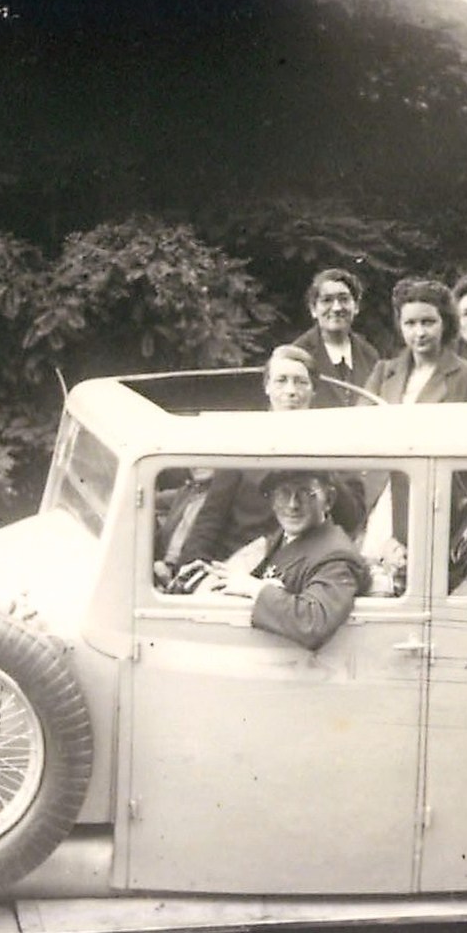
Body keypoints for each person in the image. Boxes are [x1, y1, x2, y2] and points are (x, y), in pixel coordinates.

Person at [173, 346, 365, 571]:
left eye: (301, 382)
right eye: (281, 381)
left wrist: (322, 462)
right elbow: (212, 516)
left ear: (314, 390)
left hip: (304, 569)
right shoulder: (244, 441)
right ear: (267, 388)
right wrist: (192, 568)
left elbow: (352, 519)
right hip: (241, 566)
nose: (291, 391)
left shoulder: (338, 444)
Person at [203, 470, 372, 650]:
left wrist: (255, 588)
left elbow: (312, 622)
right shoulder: (283, 538)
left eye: (306, 494)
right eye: (283, 493)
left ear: (328, 500)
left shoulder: (337, 556)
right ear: (272, 501)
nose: (292, 505)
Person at [362, 277, 467, 405]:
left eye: (428, 322)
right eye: (410, 323)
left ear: (445, 323)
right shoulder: (383, 372)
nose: (420, 333)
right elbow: (358, 421)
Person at [291, 269, 381, 406]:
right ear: (313, 309)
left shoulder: (369, 355)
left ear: (356, 306)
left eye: (344, 299)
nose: (337, 308)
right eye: (327, 300)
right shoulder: (297, 355)